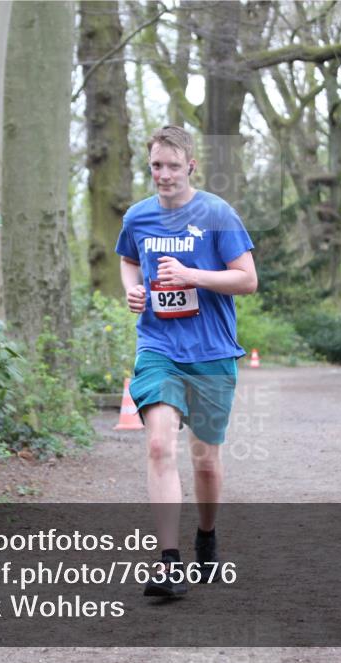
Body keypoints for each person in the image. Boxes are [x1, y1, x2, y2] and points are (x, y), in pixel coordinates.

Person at [115, 125, 257, 597]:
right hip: (158, 347)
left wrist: (193, 275)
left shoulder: (217, 213)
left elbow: (247, 279)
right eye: (157, 165)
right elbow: (128, 259)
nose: (164, 174)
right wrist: (132, 290)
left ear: (190, 166)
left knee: (206, 462)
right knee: (158, 445)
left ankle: (207, 537)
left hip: (212, 352)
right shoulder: (138, 217)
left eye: (173, 166)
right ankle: (168, 563)